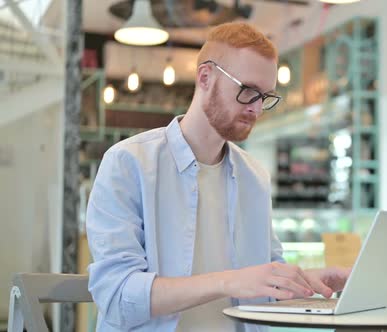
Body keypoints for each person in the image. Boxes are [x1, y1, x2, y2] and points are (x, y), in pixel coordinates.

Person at [86, 22, 350, 332]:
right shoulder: (128, 163)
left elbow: (262, 285)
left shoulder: (255, 177)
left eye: (264, 97)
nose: (256, 108)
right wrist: (230, 281)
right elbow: (118, 297)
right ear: (205, 77)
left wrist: (306, 282)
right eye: (248, 91)